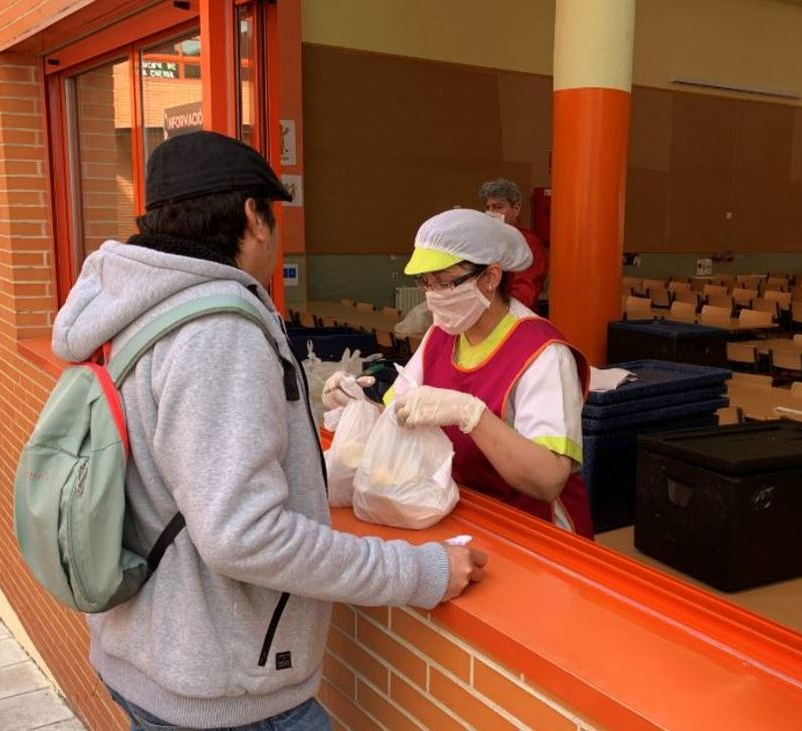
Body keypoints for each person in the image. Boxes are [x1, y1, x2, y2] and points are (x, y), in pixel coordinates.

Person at [51, 131, 485, 731]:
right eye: (273, 214)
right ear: (254, 218)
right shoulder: (217, 330)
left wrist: (314, 476)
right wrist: (419, 572)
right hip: (222, 690)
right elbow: (242, 535)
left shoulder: (133, 308)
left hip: (152, 652)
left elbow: (178, 472)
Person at [323, 209, 594, 537]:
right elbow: (399, 411)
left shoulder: (543, 354)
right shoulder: (441, 335)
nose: (433, 295)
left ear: (491, 277)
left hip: (536, 531)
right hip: (469, 512)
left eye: (445, 282)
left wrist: (472, 415)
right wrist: (358, 401)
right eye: (426, 283)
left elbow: (548, 479)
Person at [479, 178, 547, 309]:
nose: (491, 213)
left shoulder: (529, 243)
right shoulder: (486, 239)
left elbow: (525, 294)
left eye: (498, 207)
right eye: (488, 207)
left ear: (516, 208)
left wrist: (493, 313)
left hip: (512, 318)